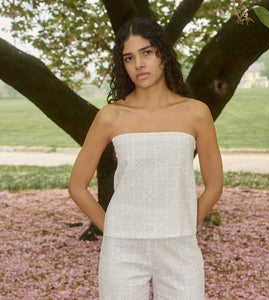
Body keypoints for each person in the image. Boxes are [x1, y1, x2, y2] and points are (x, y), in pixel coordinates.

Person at [69, 18, 223, 300]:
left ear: (163, 53)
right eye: (129, 57)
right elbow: (77, 186)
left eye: (147, 52)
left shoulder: (196, 113)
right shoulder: (110, 116)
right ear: (122, 64)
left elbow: (214, 185)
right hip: (122, 249)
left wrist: (187, 225)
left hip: (180, 246)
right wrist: (113, 230)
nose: (138, 64)